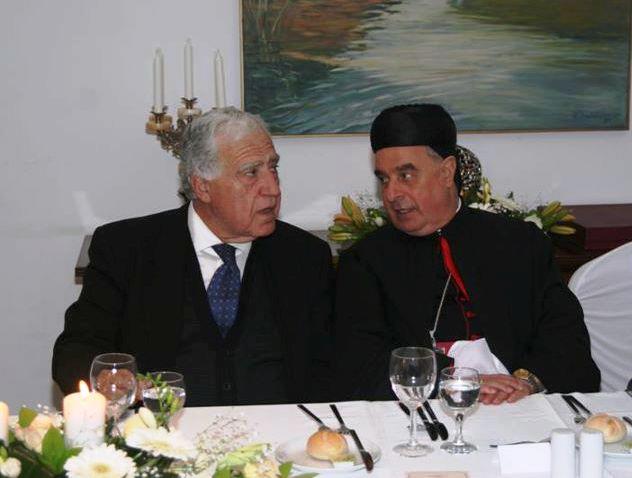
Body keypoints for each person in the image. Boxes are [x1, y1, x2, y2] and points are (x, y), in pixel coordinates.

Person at [53, 107, 334, 406]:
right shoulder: (126, 250)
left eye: (273, 168)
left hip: (280, 431)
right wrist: (111, 380)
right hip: (162, 428)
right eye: (251, 172)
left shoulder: (304, 257)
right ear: (202, 186)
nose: (273, 189)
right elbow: (76, 351)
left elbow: (331, 367)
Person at [333, 104, 600, 404]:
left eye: (405, 175)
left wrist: (527, 382)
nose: (391, 193)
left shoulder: (520, 243)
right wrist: (457, 381)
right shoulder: (365, 261)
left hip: (520, 406)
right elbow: (360, 363)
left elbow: (566, 337)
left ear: (446, 172)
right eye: (384, 179)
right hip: (423, 412)